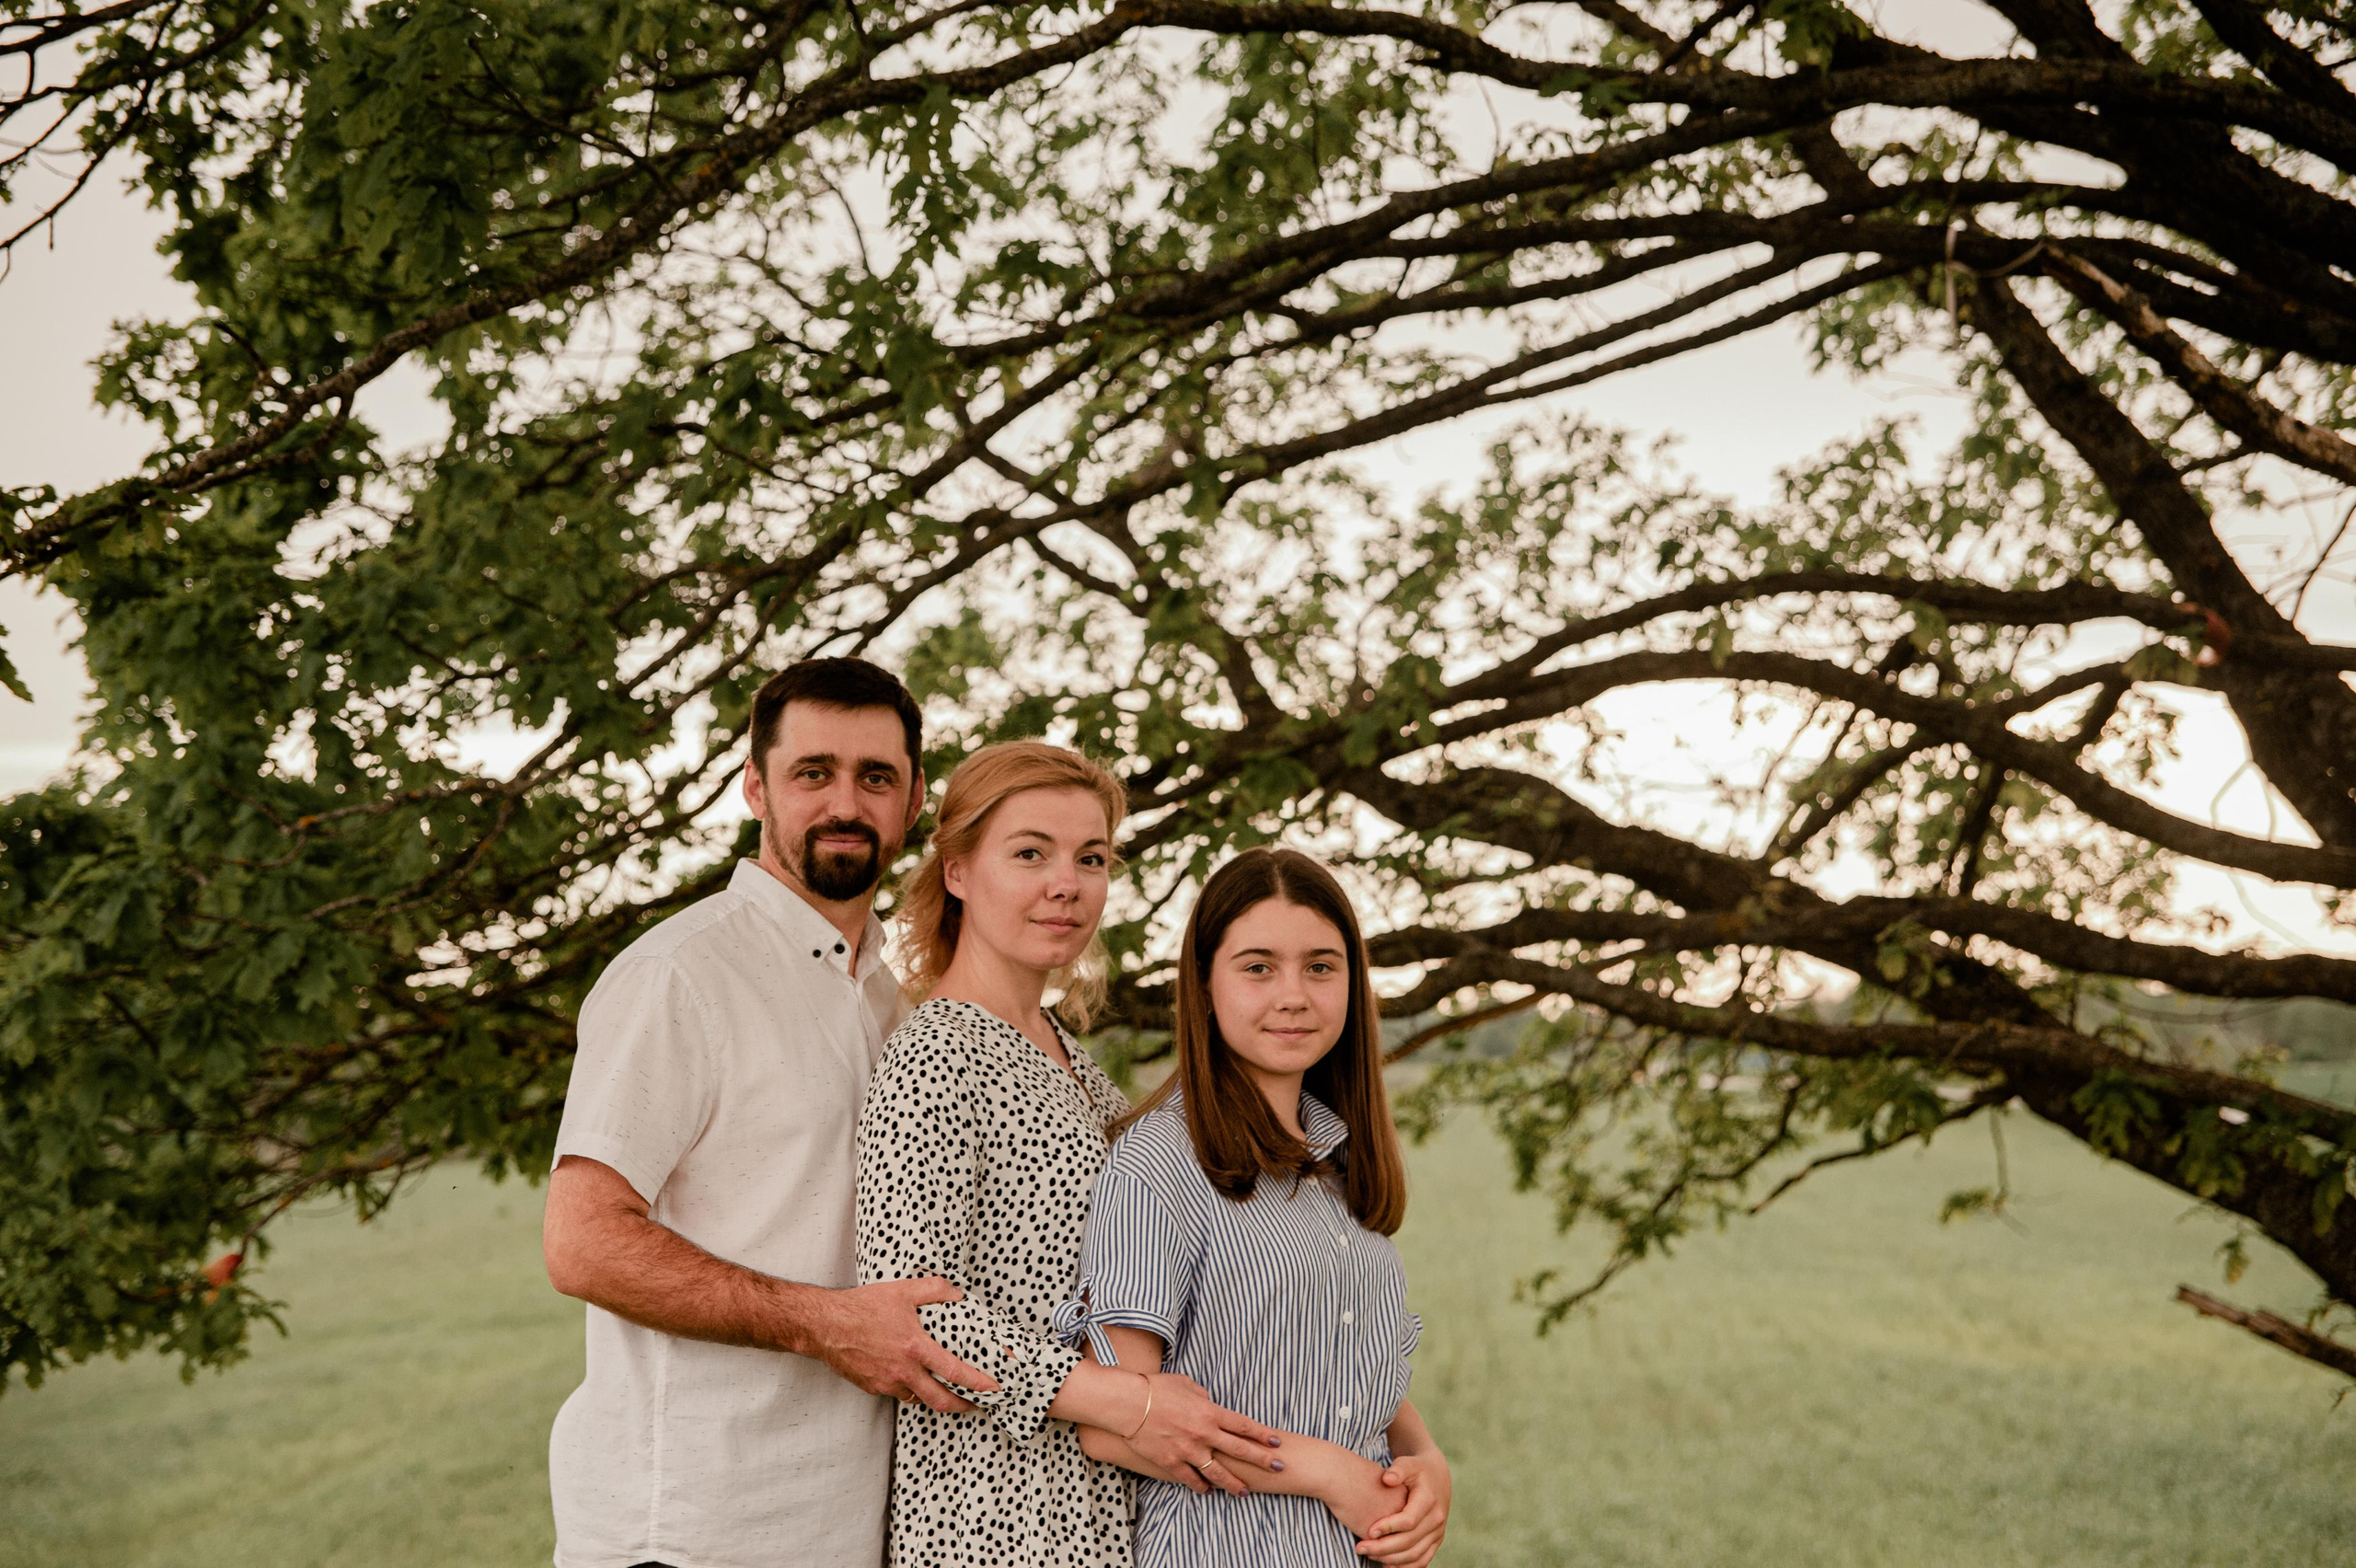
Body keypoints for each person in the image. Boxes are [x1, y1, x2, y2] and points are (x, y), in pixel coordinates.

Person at [541, 658, 1000, 1568]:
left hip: (841, 1528)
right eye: (812, 773)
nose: (846, 803)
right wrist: (824, 1323)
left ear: (913, 804)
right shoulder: (679, 975)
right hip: (689, 1530)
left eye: (876, 778)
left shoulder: (889, 1003)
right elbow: (582, 1241)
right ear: (756, 786)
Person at [854, 741, 1287, 1568]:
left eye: (1092, 858)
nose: (1068, 883)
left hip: (1101, 1500)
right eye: (1030, 854)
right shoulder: (936, 1054)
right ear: (956, 872)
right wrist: (1120, 1401)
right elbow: (912, 1315)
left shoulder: (1072, 1060)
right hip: (991, 1516)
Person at [1057, 847, 1452, 1568]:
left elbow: (1345, 1370)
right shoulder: (1159, 1164)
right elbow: (1113, 1422)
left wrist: (1425, 1461)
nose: (1294, 995)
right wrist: (1327, 1472)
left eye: (1321, 967)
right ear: (1206, 985)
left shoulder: (1335, 1163)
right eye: (1259, 967)